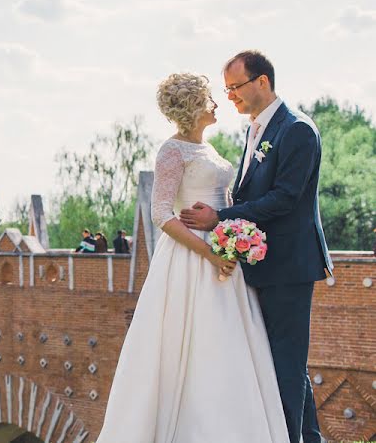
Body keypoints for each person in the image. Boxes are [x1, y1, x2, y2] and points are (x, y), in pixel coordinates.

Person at [97, 71, 289, 443]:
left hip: (223, 250)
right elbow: (161, 214)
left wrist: (235, 237)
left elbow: (225, 202)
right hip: (191, 257)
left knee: (231, 342)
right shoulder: (172, 150)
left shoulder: (208, 149)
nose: (217, 103)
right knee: (191, 342)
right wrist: (210, 253)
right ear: (193, 107)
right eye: (209, 99)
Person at [181, 51, 332, 443]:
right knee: (286, 364)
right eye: (227, 89)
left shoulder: (296, 129)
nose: (229, 96)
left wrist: (221, 218)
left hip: (290, 265)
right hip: (265, 263)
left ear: (262, 82)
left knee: (284, 363)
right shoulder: (255, 129)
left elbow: (285, 198)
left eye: (235, 87)